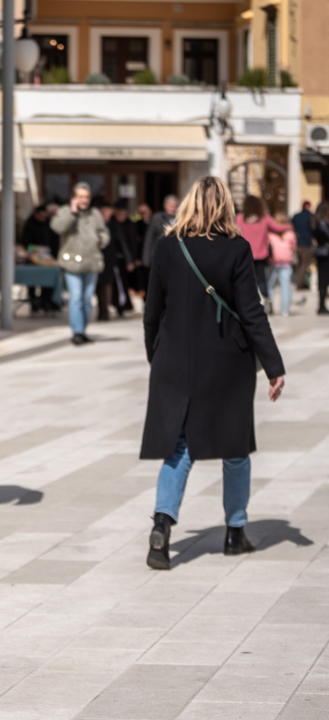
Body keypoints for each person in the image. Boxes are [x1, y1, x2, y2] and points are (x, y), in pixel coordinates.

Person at [141, 176, 285, 570]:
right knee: (235, 449)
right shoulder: (236, 248)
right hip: (226, 362)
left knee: (180, 446)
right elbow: (251, 312)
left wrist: (154, 353)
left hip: (175, 359)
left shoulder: (168, 247)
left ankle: (162, 526)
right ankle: (235, 533)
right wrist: (274, 366)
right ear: (225, 206)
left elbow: (152, 309)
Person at [50, 182, 110, 344]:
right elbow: (57, 227)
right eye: (81, 196)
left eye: (87, 197)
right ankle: (77, 332)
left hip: (91, 262)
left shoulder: (95, 214)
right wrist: (72, 212)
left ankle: (82, 330)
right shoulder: (65, 211)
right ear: (74, 198)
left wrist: (101, 239)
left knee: (86, 299)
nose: (84, 200)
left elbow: (104, 232)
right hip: (72, 264)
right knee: (75, 297)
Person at [236, 195, 291, 299]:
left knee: (245, 278)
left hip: (244, 254)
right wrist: (289, 226)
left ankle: (247, 299)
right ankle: (266, 299)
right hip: (260, 255)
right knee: (261, 279)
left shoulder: (240, 219)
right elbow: (277, 228)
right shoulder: (265, 219)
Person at [21, 204, 61, 312]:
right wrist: (36, 250)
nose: (43, 219)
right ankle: (34, 302)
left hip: (48, 258)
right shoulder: (29, 225)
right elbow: (25, 242)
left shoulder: (48, 224)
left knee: (48, 280)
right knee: (32, 281)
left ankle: (46, 301)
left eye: (45, 217)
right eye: (41, 216)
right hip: (33, 258)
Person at [266, 222, 297, 316]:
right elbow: (294, 247)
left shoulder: (270, 234)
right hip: (286, 263)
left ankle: (269, 306)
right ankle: (285, 310)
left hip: (273, 262)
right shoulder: (291, 234)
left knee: (271, 285)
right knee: (285, 286)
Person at [141, 194, 178, 271]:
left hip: (174, 256)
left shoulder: (179, 218)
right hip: (159, 255)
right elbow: (149, 238)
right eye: (170, 206)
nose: (173, 208)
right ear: (165, 206)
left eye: (175, 206)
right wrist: (146, 259)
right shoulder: (157, 218)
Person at [292, 201, 315, 290]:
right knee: (304, 265)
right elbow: (314, 229)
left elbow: (291, 227)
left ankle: (300, 282)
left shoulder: (296, 216)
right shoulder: (311, 216)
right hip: (307, 244)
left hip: (297, 244)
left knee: (300, 265)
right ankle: (300, 284)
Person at [314, 203, 329, 315]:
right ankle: (321, 306)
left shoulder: (318, 222)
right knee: (323, 280)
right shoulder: (322, 223)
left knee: (323, 281)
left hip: (323, 254)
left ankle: (322, 305)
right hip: (325, 255)